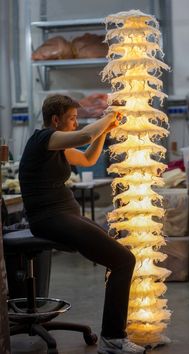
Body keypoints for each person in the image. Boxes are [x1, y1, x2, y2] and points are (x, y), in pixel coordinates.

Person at [19, 94, 146, 354]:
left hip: (67, 216)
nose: (76, 124)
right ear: (55, 120)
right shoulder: (44, 138)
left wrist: (105, 130)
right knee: (124, 260)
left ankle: (113, 334)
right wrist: (107, 118)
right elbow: (85, 136)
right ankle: (113, 339)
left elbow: (88, 158)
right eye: (72, 119)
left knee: (118, 257)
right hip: (50, 219)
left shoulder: (56, 145)